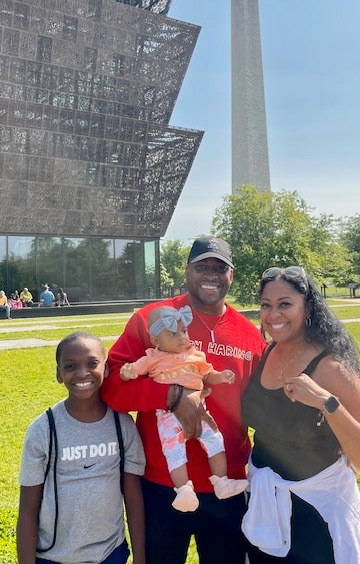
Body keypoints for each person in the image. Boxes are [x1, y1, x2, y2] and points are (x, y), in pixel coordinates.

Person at [101, 236, 264, 564]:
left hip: (227, 486)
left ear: (232, 275)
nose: (211, 274)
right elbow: (112, 388)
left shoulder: (249, 334)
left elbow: (264, 408)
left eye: (220, 268)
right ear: (187, 271)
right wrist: (170, 396)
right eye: (202, 266)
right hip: (163, 485)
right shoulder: (152, 320)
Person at [241, 266, 360, 564]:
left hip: (316, 519)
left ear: (307, 307)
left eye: (285, 304)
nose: (273, 315)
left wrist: (326, 402)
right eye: (266, 305)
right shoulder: (268, 353)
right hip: (266, 512)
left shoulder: (332, 368)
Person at [16, 332, 146, 564]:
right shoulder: (44, 429)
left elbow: (133, 497)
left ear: (105, 369)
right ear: (59, 374)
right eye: (70, 366)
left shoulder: (122, 424)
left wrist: (140, 557)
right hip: (53, 557)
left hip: (110, 554)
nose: (82, 373)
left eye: (92, 364)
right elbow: (28, 509)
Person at [120, 304, 249, 512]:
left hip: (200, 411)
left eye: (184, 331)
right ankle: (183, 490)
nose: (182, 337)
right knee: (174, 450)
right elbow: (134, 371)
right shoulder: (152, 357)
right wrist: (128, 372)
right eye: (173, 333)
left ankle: (222, 482)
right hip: (168, 415)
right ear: (156, 341)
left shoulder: (195, 355)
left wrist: (221, 376)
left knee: (215, 440)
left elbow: (208, 374)